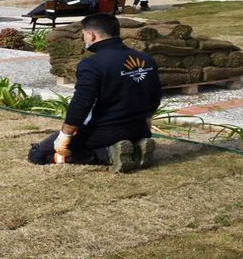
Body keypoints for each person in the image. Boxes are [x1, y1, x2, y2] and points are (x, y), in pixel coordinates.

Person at [28, 14, 162, 173]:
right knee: (123, 135)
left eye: (84, 35)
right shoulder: (145, 59)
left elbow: (82, 104)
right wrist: (145, 123)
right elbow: (155, 95)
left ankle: (106, 154)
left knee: (38, 154)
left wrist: (65, 136)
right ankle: (135, 146)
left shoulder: (92, 64)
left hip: (105, 131)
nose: (84, 39)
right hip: (138, 128)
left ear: (91, 35)